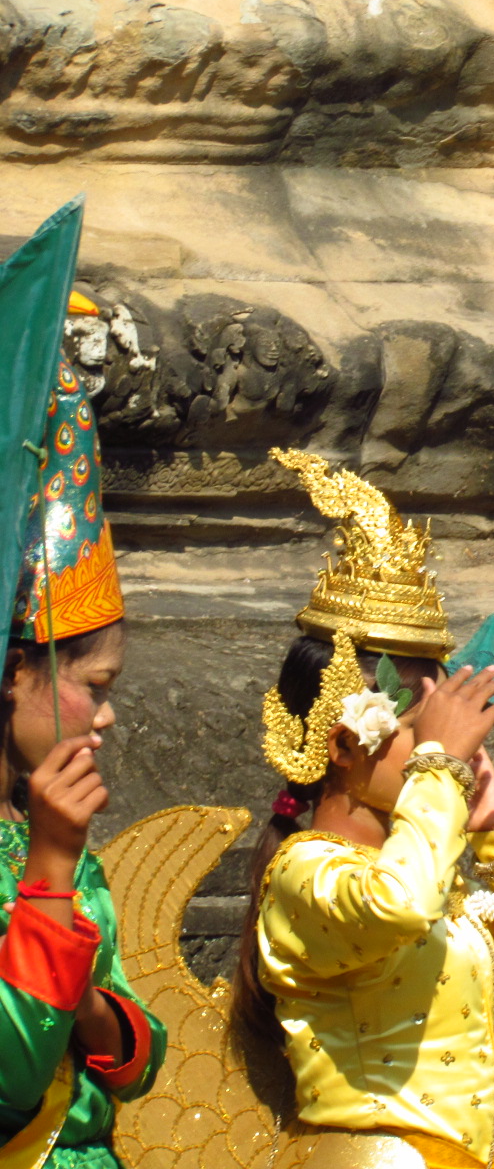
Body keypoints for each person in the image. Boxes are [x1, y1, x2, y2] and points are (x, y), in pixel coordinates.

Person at [234, 448, 494, 1169]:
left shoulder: (432, 880)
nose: (440, 744)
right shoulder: (303, 875)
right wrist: (441, 770)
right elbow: (400, 906)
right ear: (342, 742)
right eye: (421, 719)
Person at [0, 328, 167, 1167]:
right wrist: (52, 870)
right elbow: (10, 1077)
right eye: (93, 688)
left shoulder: (51, 830)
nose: (104, 720)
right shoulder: (54, 844)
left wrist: (92, 1011)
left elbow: (142, 1057)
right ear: (15, 672)